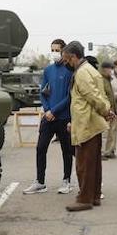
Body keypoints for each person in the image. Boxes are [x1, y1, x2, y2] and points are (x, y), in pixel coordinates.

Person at [64, 43, 113, 212]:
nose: (66, 63)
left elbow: (93, 96)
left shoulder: (82, 72)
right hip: (91, 122)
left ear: (74, 57)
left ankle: (85, 198)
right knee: (93, 163)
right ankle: (94, 195)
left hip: (87, 124)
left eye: (67, 59)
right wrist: (106, 110)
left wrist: (106, 110)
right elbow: (100, 95)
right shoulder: (90, 70)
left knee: (84, 164)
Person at [23, 38, 74, 195]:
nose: (54, 53)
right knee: (41, 148)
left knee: (67, 150)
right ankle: (40, 182)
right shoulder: (48, 70)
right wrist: (47, 110)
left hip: (64, 117)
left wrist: (54, 111)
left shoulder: (70, 71)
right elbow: (42, 91)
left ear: (64, 51)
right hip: (48, 117)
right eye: (52, 50)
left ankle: (66, 181)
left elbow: (70, 96)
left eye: (57, 50)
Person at [99, 61, 117, 159]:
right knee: (105, 133)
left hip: (112, 110)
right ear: (104, 69)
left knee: (112, 132)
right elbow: (102, 96)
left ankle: (109, 151)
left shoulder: (108, 79)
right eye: (110, 69)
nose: (111, 71)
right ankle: (101, 152)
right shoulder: (101, 79)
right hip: (106, 110)